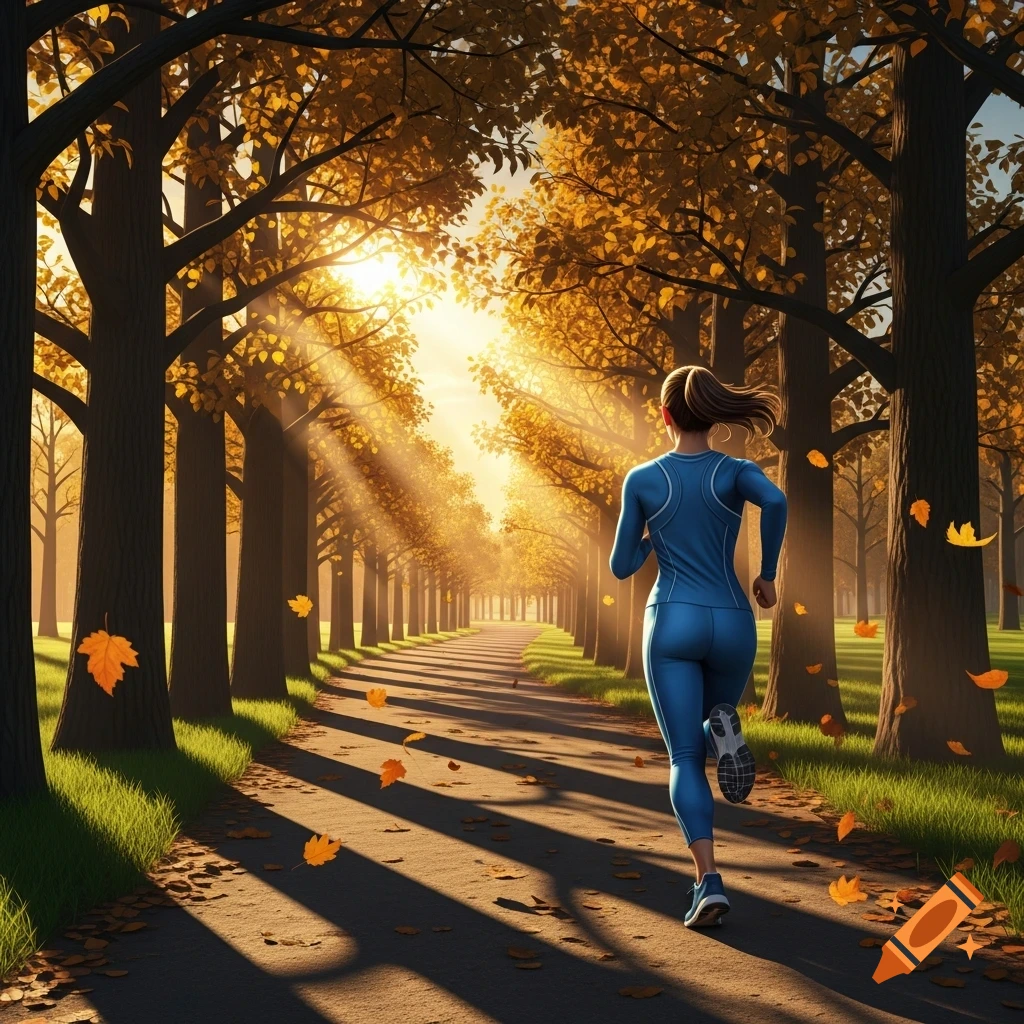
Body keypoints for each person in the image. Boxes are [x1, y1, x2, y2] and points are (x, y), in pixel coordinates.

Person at [609, 364, 787, 928]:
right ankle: (722, 731)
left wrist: (650, 538)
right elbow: (777, 503)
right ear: (712, 416)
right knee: (713, 718)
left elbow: (620, 567)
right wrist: (767, 573)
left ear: (665, 415)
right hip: (733, 619)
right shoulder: (736, 471)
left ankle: (707, 881)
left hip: (674, 619)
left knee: (684, 758)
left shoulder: (643, 479)